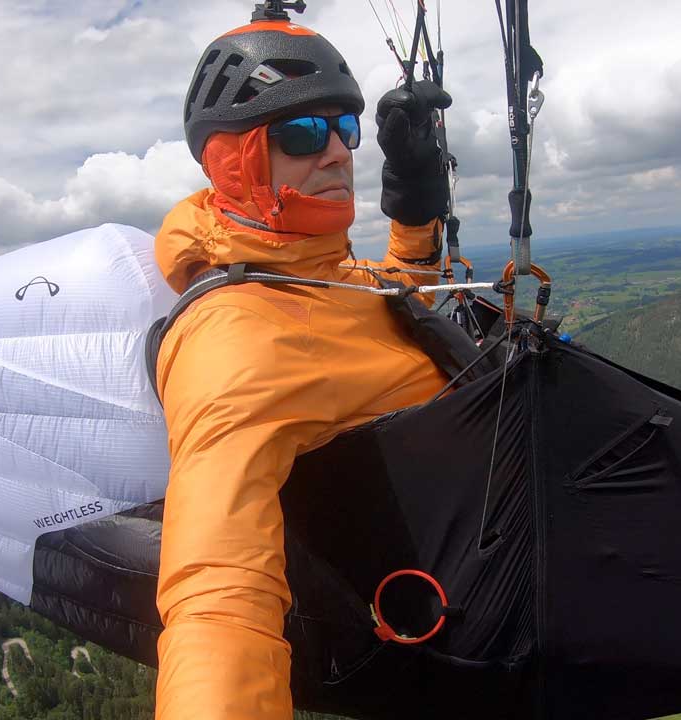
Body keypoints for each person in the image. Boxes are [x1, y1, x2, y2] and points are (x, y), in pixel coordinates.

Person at [150, 11, 455, 720]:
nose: (339, 154)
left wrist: (412, 207)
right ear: (235, 160)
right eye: (301, 134)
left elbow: (383, 303)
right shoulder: (232, 343)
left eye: (343, 130)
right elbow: (218, 593)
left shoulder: (309, 272)